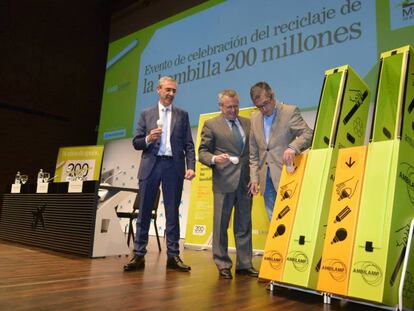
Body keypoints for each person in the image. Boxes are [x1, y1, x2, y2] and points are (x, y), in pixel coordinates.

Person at [124, 76, 196, 272]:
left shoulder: (182, 115)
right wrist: (148, 138)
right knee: (144, 212)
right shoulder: (146, 113)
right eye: (168, 90)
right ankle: (138, 255)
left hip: (174, 168)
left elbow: (189, 144)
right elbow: (136, 142)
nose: (171, 94)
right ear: (158, 90)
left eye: (174, 91)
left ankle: (173, 256)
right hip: (151, 166)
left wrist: (191, 166)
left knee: (173, 213)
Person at [198, 89, 258, 279]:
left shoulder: (248, 123)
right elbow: (202, 152)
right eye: (229, 107)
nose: (233, 110)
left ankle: (244, 264)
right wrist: (215, 158)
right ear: (221, 107)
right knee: (221, 225)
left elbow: (253, 152)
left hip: (245, 183)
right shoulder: (211, 125)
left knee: (244, 225)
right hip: (223, 182)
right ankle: (223, 263)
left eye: (236, 106)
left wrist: (255, 177)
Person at [248, 81, 313, 221]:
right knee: (274, 221)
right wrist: (254, 178)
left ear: (272, 96)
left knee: (292, 220)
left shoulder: (289, 112)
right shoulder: (254, 118)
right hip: (266, 180)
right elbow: (253, 154)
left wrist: (292, 147)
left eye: (265, 103)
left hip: (287, 176)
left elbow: (308, 134)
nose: (263, 109)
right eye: (259, 107)